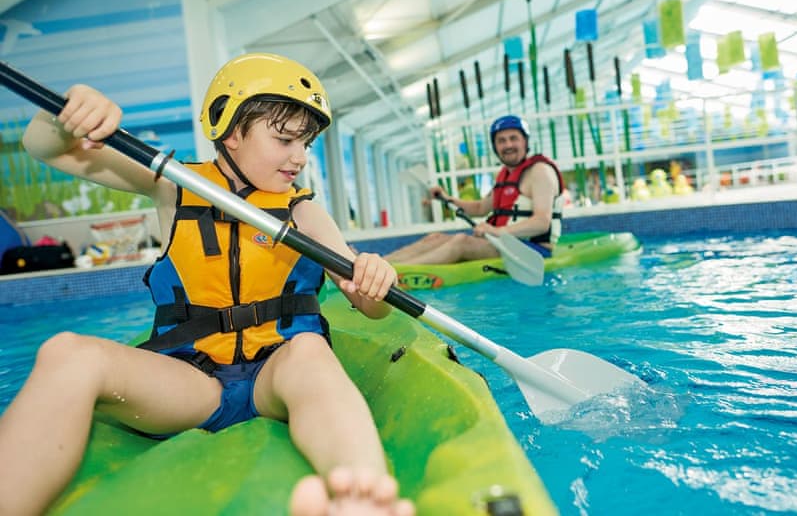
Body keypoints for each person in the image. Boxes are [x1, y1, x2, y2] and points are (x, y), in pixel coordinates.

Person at [0, 53, 414, 516]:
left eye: (306, 143)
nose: (299, 157)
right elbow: (45, 148)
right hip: (191, 382)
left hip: (275, 377)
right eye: (284, 140)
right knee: (67, 353)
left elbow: (368, 301)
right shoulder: (173, 185)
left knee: (311, 351)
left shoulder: (304, 212)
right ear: (231, 132)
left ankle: (362, 496)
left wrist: (374, 278)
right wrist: (70, 117)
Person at [386, 115, 563, 265]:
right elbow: (480, 208)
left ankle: (397, 273)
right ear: (495, 147)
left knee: (461, 241)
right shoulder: (506, 175)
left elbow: (542, 222)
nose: (508, 145)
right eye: (501, 140)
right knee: (435, 237)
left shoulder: (540, 171)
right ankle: (381, 263)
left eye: (513, 138)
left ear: (525, 141)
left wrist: (496, 231)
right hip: (504, 244)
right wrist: (445, 199)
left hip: (533, 251)